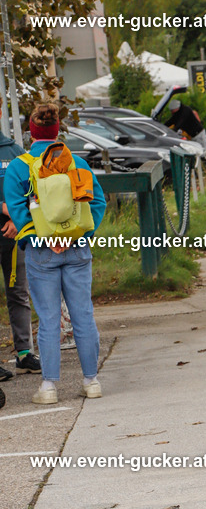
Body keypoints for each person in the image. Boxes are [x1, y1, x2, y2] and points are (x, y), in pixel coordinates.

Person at [4, 102, 106, 403]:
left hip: (40, 252)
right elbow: (97, 202)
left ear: (31, 130)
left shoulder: (19, 167)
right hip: (77, 249)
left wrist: (46, 239)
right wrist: (77, 234)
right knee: (83, 316)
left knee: (48, 319)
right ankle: (91, 381)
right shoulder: (77, 163)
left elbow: (18, 212)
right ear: (57, 128)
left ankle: (48, 387)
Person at [0, 118, 40, 381]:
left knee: (18, 293)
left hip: (13, 236)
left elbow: (33, 191)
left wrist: (17, 217)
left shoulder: (15, 151)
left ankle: (24, 353)